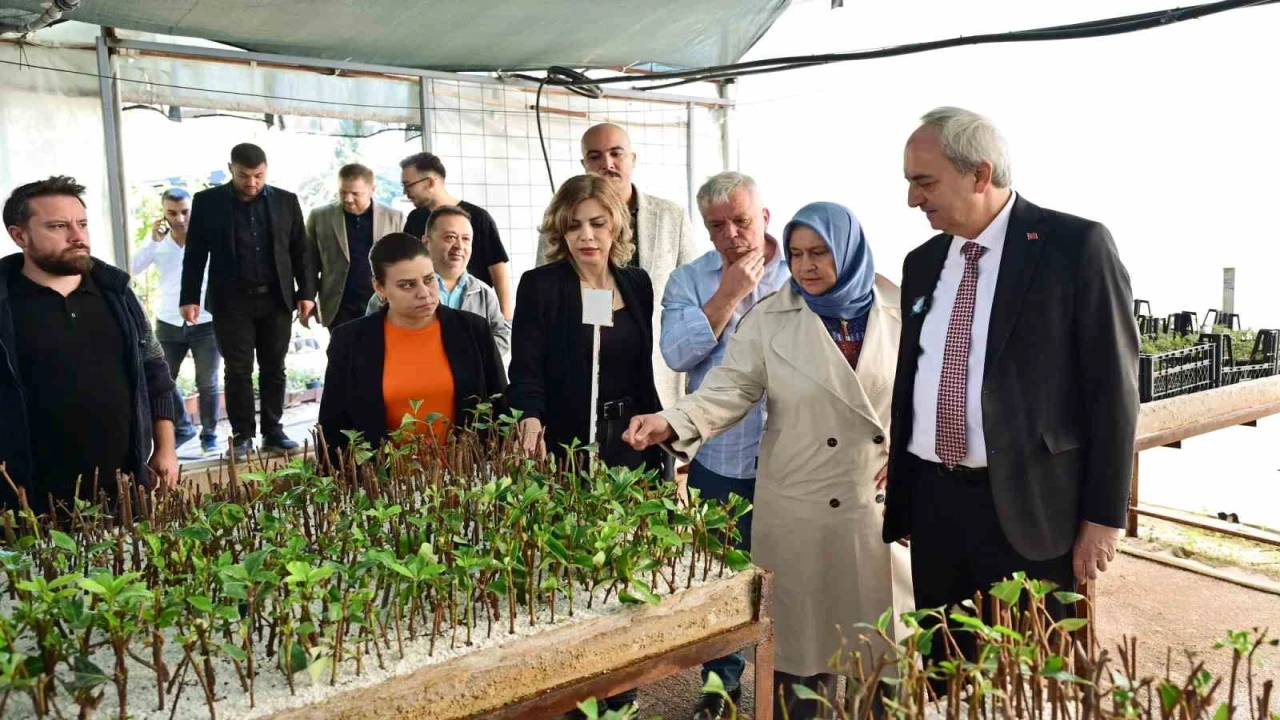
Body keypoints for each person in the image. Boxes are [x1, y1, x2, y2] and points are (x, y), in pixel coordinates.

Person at [625, 202, 914, 720]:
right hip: (799, 504)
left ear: (848, 251)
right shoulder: (771, 318)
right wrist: (674, 420)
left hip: (878, 505)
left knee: (884, 659)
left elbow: (936, 391)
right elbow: (730, 387)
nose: (806, 266)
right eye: (798, 254)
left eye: (820, 253)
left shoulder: (900, 307)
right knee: (804, 660)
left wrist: (918, 455)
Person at [883, 107, 1139, 659]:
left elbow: (1114, 391)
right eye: (909, 183)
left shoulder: (1074, 247)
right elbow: (916, 376)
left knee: (1026, 680)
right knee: (946, 670)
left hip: (1031, 512)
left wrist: (1103, 517)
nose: (912, 199)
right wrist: (905, 489)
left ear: (979, 174)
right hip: (935, 504)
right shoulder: (923, 263)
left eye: (924, 182)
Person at [658, 171, 790, 719]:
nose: (731, 233)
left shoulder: (802, 268)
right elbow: (678, 354)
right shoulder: (689, 279)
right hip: (720, 455)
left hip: (793, 454)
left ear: (764, 215)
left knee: (794, 572)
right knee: (723, 577)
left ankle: (790, 679)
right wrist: (728, 295)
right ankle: (721, 686)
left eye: (741, 220)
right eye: (717, 225)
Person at [1, 176, 179, 515]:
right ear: (19, 235)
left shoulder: (117, 293)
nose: (77, 236)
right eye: (58, 226)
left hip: (123, 489)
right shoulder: (5, 303)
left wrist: (165, 449)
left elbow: (155, 373)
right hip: (30, 498)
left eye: (81, 224)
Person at [508, 173, 663, 475]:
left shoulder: (637, 283)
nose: (586, 235)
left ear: (615, 224)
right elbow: (526, 368)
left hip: (631, 438)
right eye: (574, 225)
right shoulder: (540, 286)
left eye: (597, 223)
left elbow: (640, 369)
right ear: (561, 231)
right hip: (568, 440)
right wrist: (529, 417)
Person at [180, 143, 317, 460]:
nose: (252, 182)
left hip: (277, 299)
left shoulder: (286, 201)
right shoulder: (208, 203)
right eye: (244, 175)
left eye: (258, 175)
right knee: (238, 370)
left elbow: (301, 252)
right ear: (231, 169)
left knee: (274, 368)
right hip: (231, 301)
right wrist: (189, 297)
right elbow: (196, 253)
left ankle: (273, 430)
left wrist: (306, 293)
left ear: (266, 170)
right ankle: (242, 436)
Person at [319, 232, 506, 459]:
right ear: (380, 288)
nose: (424, 293)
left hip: (467, 476)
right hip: (381, 481)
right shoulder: (349, 341)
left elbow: (500, 407)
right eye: (407, 285)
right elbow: (332, 425)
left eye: (429, 279)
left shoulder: (473, 330)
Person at [573, 123, 699, 411]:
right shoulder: (566, 216)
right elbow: (549, 289)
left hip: (658, 371)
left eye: (616, 153)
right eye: (595, 157)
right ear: (584, 165)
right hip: (590, 375)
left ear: (632, 158)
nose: (607, 164)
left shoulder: (670, 215)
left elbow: (694, 294)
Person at [131, 187, 222, 456]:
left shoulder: (207, 238)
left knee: (207, 382)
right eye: (172, 212)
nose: (180, 218)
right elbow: (132, 267)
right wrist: (153, 242)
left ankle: (209, 436)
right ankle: (183, 427)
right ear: (164, 213)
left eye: (185, 212)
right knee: (162, 380)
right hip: (169, 321)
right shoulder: (159, 243)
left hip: (206, 320)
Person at [365, 205, 510, 356]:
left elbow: (502, 336)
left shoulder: (483, 293)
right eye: (450, 237)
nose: (459, 246)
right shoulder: (394, 290)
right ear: (426, 242)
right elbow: (371, 340)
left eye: (466, 239)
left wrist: (470, 357)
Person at [400, 152, 512, 318]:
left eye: (408, 185)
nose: (406, 192)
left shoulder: (478, 217)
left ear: (430, 182)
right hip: (427, 314)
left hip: (473, 310)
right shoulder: (415, 218)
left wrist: (506, 320)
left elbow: (498, 272)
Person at [306, 163, 404, 328]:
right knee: (342, 352)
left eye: (355, 193)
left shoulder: (394, 217)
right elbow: (309, 263)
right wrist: (307, 297)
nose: (348, 199)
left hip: (382, 301)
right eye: (343, 192)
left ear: (372, 190)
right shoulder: (319, 217)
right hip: (338, 304)